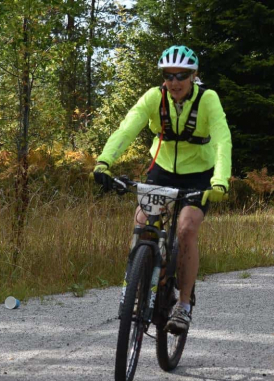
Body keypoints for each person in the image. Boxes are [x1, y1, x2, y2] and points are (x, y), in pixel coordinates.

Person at [90, 45, 232, 334]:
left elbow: (222, 140)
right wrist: (104, 162)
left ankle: (184, 305)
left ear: (193, 76)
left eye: (181, 75)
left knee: (186, 229)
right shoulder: (154, 97)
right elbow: (127, 129)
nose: (174, 82)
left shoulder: (208, 99)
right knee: (142, 221)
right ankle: (139, 285)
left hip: (199, 173)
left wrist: (220, 180)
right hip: (162, 169)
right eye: (169, 75)